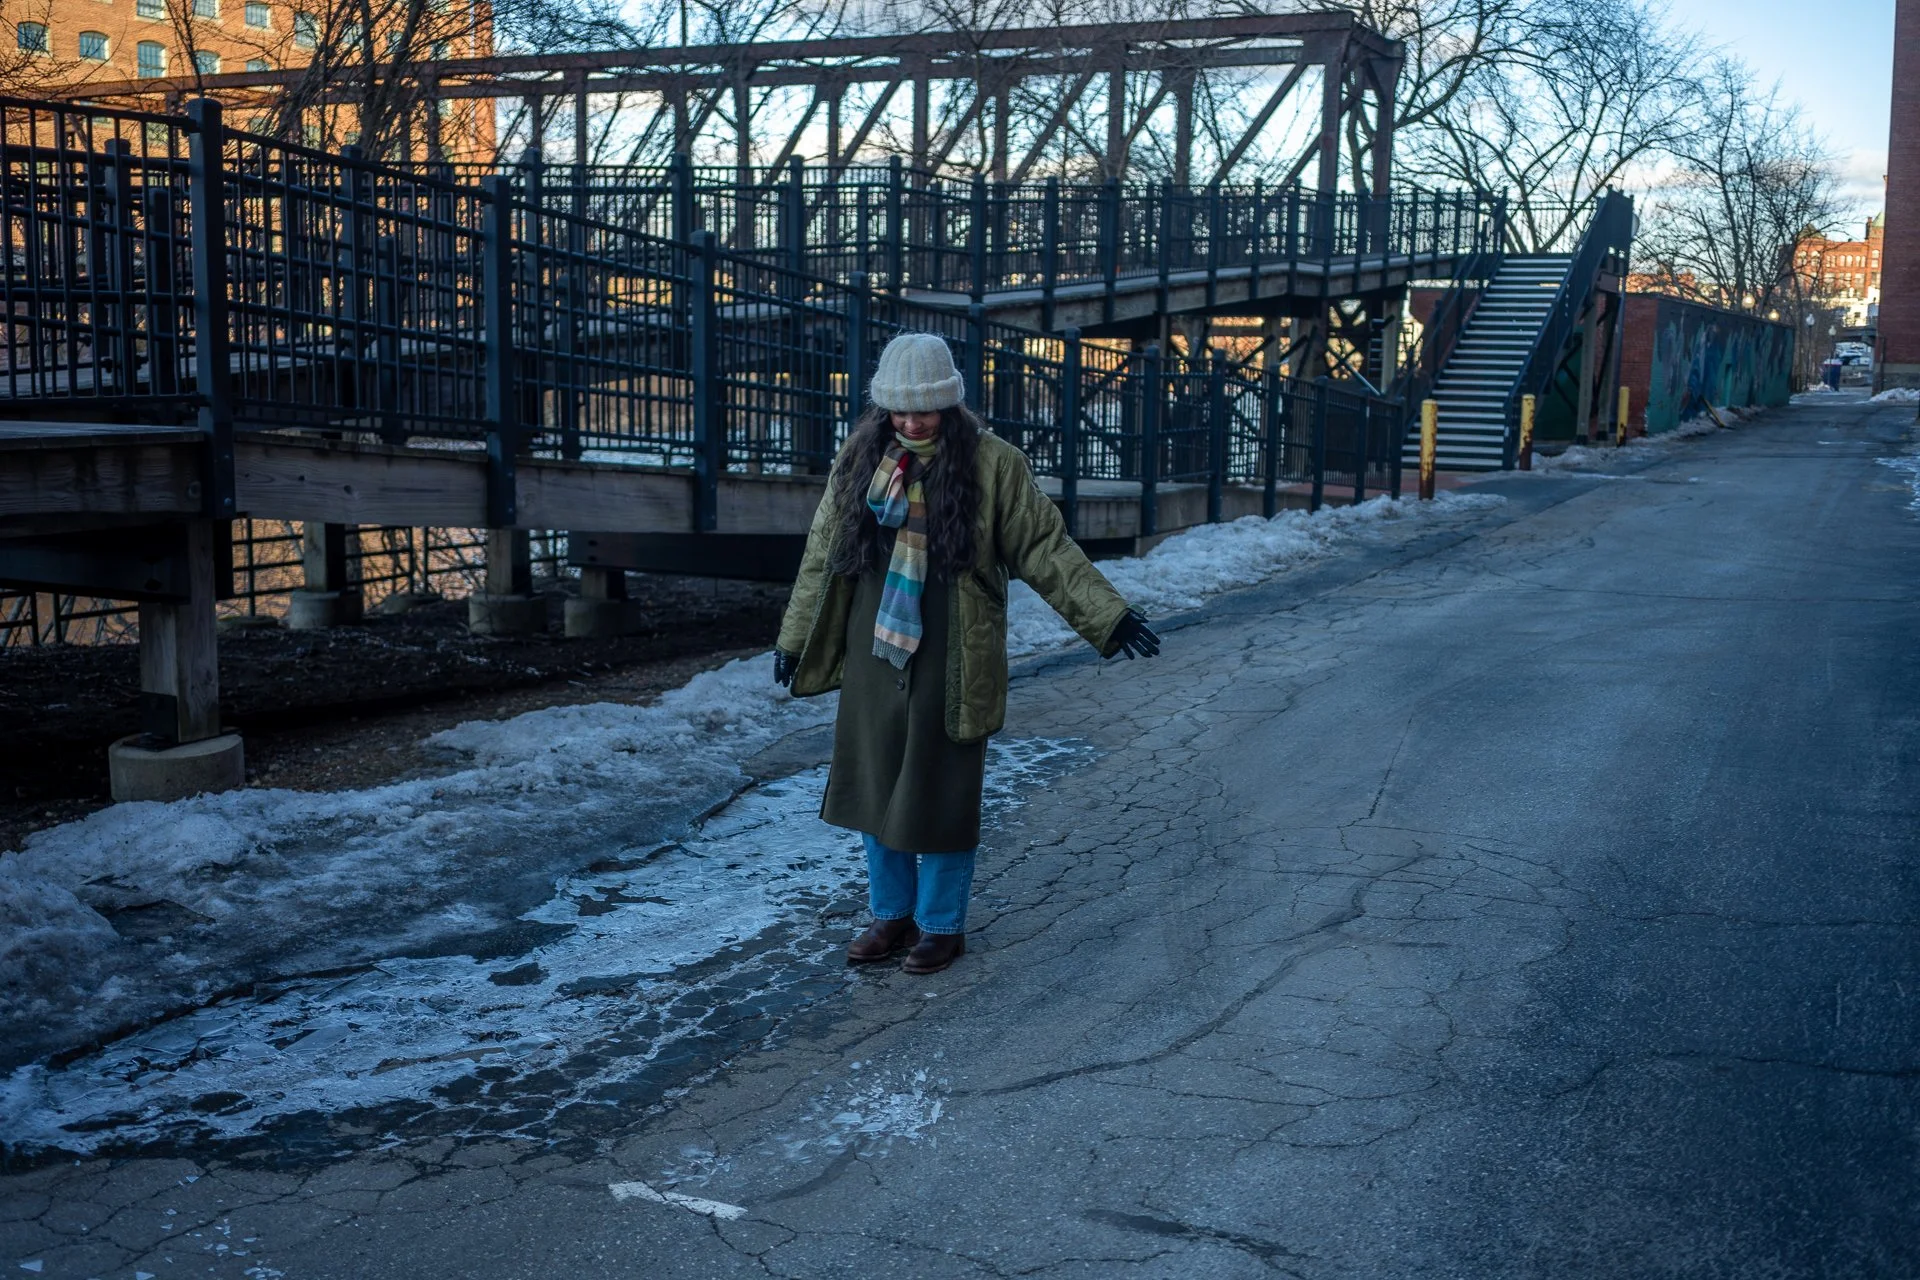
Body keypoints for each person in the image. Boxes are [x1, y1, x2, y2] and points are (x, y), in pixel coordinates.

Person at [773, 332, 1160, 975]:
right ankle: (890, 914)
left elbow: (1044, 546)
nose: (912, 420)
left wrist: (1109, 617)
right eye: (900, 408)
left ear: (949, 404)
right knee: (876, 781)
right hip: (875, 639)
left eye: (924, 407)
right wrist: (794, 638)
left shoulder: (993, 462)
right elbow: (822, 553)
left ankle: (942, 927)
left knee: (943, 788)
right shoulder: (862, 456)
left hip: (955, 643)